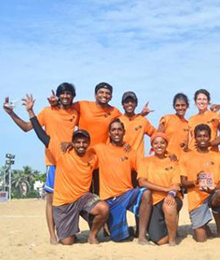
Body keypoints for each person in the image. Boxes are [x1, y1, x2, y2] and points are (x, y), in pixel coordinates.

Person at [24, 94, 109, 245]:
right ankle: (69, 231)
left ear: (89, 143)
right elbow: (41, 135)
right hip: (64, 203)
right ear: (73, 143)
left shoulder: (93, 157)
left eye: (84, 142)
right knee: (67, 242)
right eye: (78, 142)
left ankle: (92, 235)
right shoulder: (61, 152)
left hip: (82, 199)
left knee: (103, 208)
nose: (81, 145)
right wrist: (31, 112)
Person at [3, 83, 78, 244]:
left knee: (73, 198)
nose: (65, 96)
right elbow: (26, 127)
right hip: (53, 162)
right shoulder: (47, 112)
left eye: (68, 93)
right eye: (62, 93)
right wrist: (12, 113)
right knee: (50, 200)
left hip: (72, 163)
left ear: (73, 96)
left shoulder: (76, 112)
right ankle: (52, 235)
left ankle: (69, 230)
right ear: (58, 95)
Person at [91, 118, 152, 245]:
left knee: (146, 193)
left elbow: (142, 171)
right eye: (113, 130)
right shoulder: (100, 149)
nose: (117, 132)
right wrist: (69, 144)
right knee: (119, 238)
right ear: (109, 133)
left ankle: (141, 236)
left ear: (124, 132)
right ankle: (124, 229)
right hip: (110, 199)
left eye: (119, 129)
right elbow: (81, 154)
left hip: (127, 194)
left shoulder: (131, 152)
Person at [180, 124, 220, 248]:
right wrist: (195, 181)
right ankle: (204, 227)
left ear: (210, 137)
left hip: (213, 194)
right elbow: (183, 182)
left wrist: (214, 189)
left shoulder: (217, 156)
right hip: (196, 199)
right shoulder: (186, 157)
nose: (202, 139)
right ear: (194, 138)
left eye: (205, 136)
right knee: (201, 239)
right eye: (199, 136)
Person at [138, 132, 183, 246]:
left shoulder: (173, 161)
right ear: (152, 146)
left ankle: (172, 240)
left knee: (168, 205)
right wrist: (165, 189)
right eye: (156, 143)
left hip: (172, 196)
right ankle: (172, 227)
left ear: (166, 144)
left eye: (162, 143)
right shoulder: (145, 161)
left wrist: (170, 194)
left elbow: (176, 184)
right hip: (154, 201)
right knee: (160, 241)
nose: (159, 145)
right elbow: (142, 182)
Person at [119, 91, 155, 158]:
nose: (130, 104)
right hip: (122, 161)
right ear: (122, 105)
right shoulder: (118, 121)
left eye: (132, 102)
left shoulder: (143, 121)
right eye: (127, 102)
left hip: (138, 163)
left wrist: (155, 148)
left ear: (136, 104)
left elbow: (156, 135)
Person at [158, 93, 189, 159]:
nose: (180, 108)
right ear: (174, 106)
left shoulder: (189, 124)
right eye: (177, 105)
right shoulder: (167, 119)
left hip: (182, 161)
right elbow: (158, 139)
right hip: (167, 159)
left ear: (187, 106)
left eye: (183, 105)